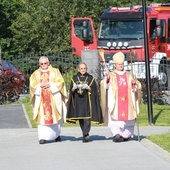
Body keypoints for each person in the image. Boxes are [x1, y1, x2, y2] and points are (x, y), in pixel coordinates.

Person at [100, 52, 142, 142]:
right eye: (119, 64)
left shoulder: (129, 74)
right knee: (116, 119)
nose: (121, 65)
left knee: (128, 119)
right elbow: (104, 85)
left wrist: (135, 85)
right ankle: (116, 134)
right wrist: (107, 79)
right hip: (116, 101)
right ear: (115, 65)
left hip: (128, 101)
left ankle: (125, 135)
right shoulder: (111, 75)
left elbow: (137, 85)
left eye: (122, 64)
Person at [29, 56, 67, 144]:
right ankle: (42, 137)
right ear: (39, 64)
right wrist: (39, 85)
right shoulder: (35, 74)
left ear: (49, 63)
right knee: (42, 119)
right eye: (41, 63)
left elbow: (60, 82)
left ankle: (56, 135)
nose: (44, 65)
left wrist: (50, 84)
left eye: (45, 63)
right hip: (41, 100)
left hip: (53, 98)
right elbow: (32, 85)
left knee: (56, 117)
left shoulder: (55, 71)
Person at [66, 62, 103, 142]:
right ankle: (84, 132)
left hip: (87, 100)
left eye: (84, 68)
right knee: (81, 118)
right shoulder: (74, 78)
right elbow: (71, 90)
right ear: (78, 69)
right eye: (81, 68)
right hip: (78, 100)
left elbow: (94, 90)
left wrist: (88, 88)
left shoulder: (90, 78)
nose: (83, 70)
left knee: (87, 117)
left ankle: (86, 134)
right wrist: (74, 88)